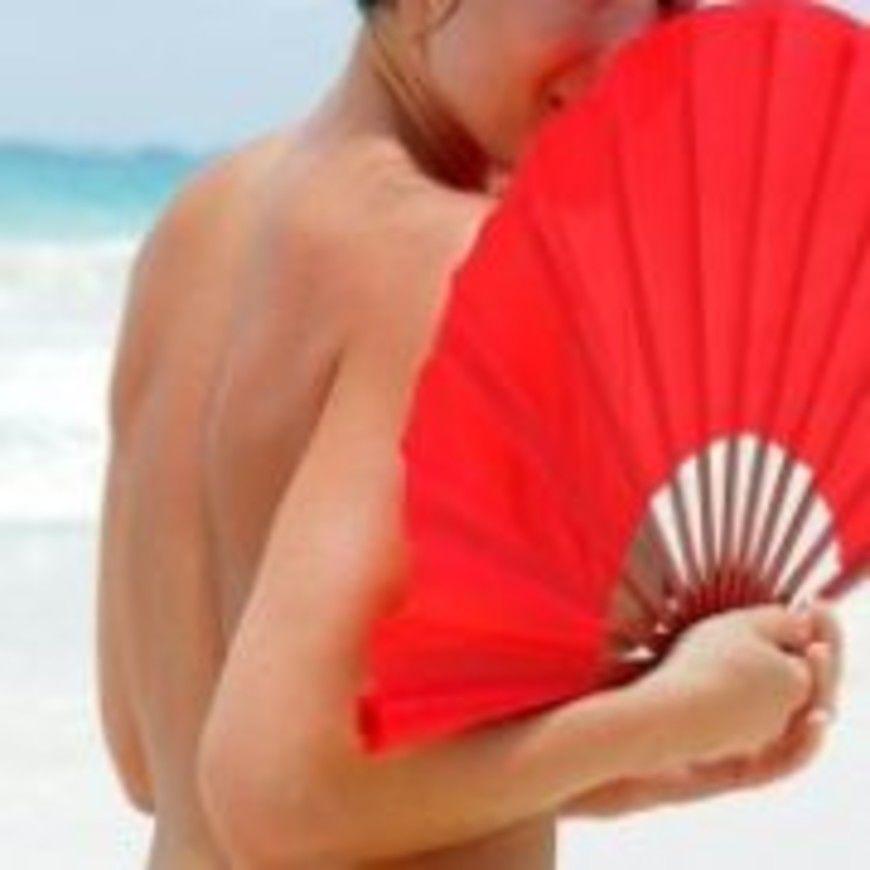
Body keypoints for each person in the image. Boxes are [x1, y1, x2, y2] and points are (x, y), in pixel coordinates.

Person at [96, 1, 844, 867]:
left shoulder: (201, 223)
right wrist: (677, 713)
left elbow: (150, 757)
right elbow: (278, 797)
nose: (639, 48)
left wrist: (638, 765)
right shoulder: (459, 263)